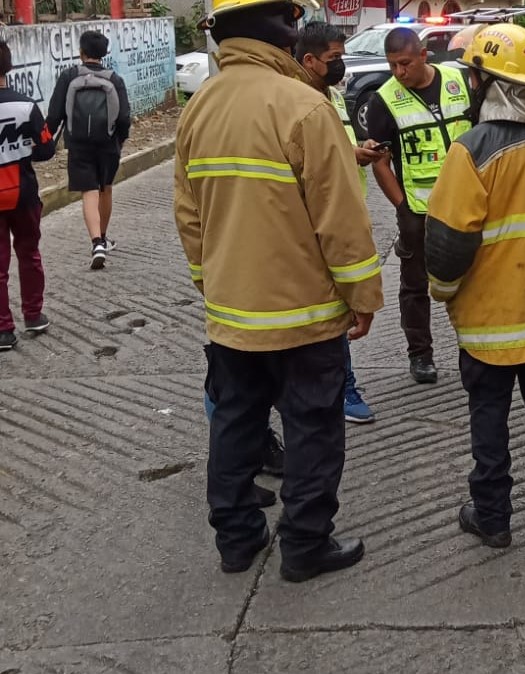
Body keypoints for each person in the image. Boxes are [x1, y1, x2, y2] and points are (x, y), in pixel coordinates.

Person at [176, 0, 384, 582]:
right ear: (280, 29)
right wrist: (363, 296)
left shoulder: (198, 110)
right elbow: (342, 221)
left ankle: (237, 542)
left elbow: (188, 215)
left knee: (235, 426)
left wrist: (210, 281)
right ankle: (305, 546)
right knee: (313, 428)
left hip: (232, 318)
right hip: (305, 318)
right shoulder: (304, 107)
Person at [425, 23, 525, 549]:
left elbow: (448, 243)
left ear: (483, 80)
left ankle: (492, 515)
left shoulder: (471, 150)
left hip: (491, 321)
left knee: (489, 416)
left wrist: (442, 292)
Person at [366, 27, 472, 384]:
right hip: (418, 211)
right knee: (415, 287)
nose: (399, 72)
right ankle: (420, 355)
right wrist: (402, 209)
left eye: (405, 64)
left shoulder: (460, 82)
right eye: (392, 65)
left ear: (424, 55)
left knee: (472, 279)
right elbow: (380, 162)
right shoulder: (384, 100)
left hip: (466, 206)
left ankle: (474, 351)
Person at [296, 20, 388, 422]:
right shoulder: (299, 103)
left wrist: (359, 149)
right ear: (309, 60)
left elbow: (337, 147)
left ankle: (340, 385)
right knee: (332, 310)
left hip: (347, 209)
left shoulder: (330, 95)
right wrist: (350, 154)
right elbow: (316, 158)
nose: (341, 65)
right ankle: (341, 389)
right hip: (317, 223)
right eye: (334, 58)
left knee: (336, 309)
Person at [45, 30, 131, 270]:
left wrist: (44, 139)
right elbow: (124, 117)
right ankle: (103, 238)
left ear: (81, 53)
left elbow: (54, 115)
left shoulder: (68, 76)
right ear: (103, 54)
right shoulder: (114, 79)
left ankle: (96, 244)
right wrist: (120, 140)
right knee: (105, 189)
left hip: (79, 144)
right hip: (108, 143)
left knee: (89, 192)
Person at [0, 37, 56, 351]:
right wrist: (22, 152)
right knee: (29, 256)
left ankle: (3, 330)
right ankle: (33, 315)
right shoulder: (25, 105)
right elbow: (47, 148)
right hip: (24, 194)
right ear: (8, 65)